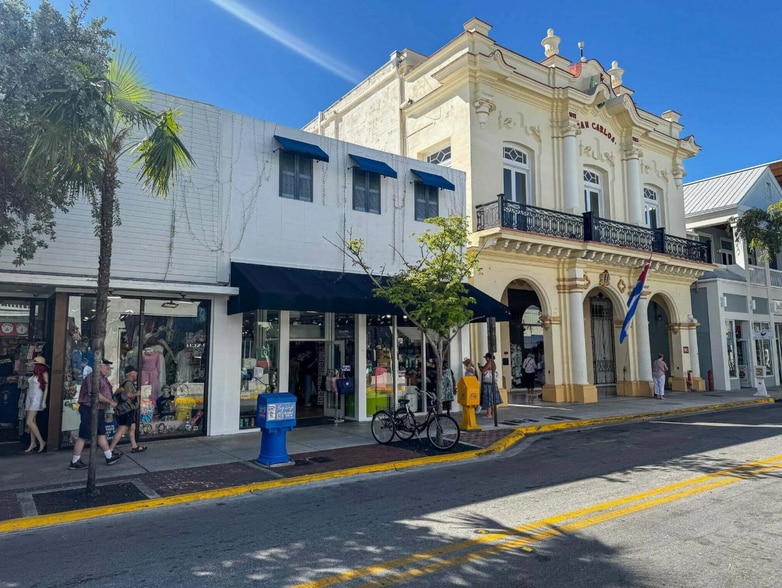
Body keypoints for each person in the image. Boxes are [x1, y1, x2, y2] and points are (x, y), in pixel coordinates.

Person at [68, 358, 124, 469]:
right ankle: (75, 461)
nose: (108, 369)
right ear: (99, 367)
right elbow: (95, 394)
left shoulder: (103, 378)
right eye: (106, 367)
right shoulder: (93, 377)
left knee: (101, 433)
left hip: (99, 410)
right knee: (83, 435)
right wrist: (110, 402)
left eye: (108, 367)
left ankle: (109, 457)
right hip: (90, 409)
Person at [109, 366, 146, 455]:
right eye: (134, 372)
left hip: (128, 409)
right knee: (122, 429)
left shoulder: (125, 383)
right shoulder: (128, 383)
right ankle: (110, 450)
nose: (136, 373)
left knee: (132, 427)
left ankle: (134, 446)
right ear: (130, 373)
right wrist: (136, 394)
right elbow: (127, 395)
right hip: (126, 410)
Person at [24, 356, 49, 453]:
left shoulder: (44, 374)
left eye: (35, 364)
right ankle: (33, 443)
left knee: (29, 421)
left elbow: (46, 388)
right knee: (32, 421)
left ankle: (41, 441)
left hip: (37, 397)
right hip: (30, 397)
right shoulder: (35, 374)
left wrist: (43, 401)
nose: (33, 366)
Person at [479, 353, 502, 419]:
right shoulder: (493, 363)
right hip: (493, 383)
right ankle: (492, 412)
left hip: (488, 383)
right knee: (492, 398)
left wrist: (480, 368)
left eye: (486, 357)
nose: (485, 359)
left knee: (488, 398)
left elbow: (483, 370)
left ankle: (488, 414)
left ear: (488, 357)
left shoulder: (489, 362)